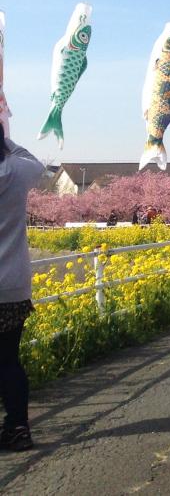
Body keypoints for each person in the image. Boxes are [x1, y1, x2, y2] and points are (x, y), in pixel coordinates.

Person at [0, 137, 44, 450]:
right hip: (12, 285)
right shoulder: (17, 170)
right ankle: (18, 429)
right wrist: (4, 137)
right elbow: (38, 165)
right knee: (8, 361)